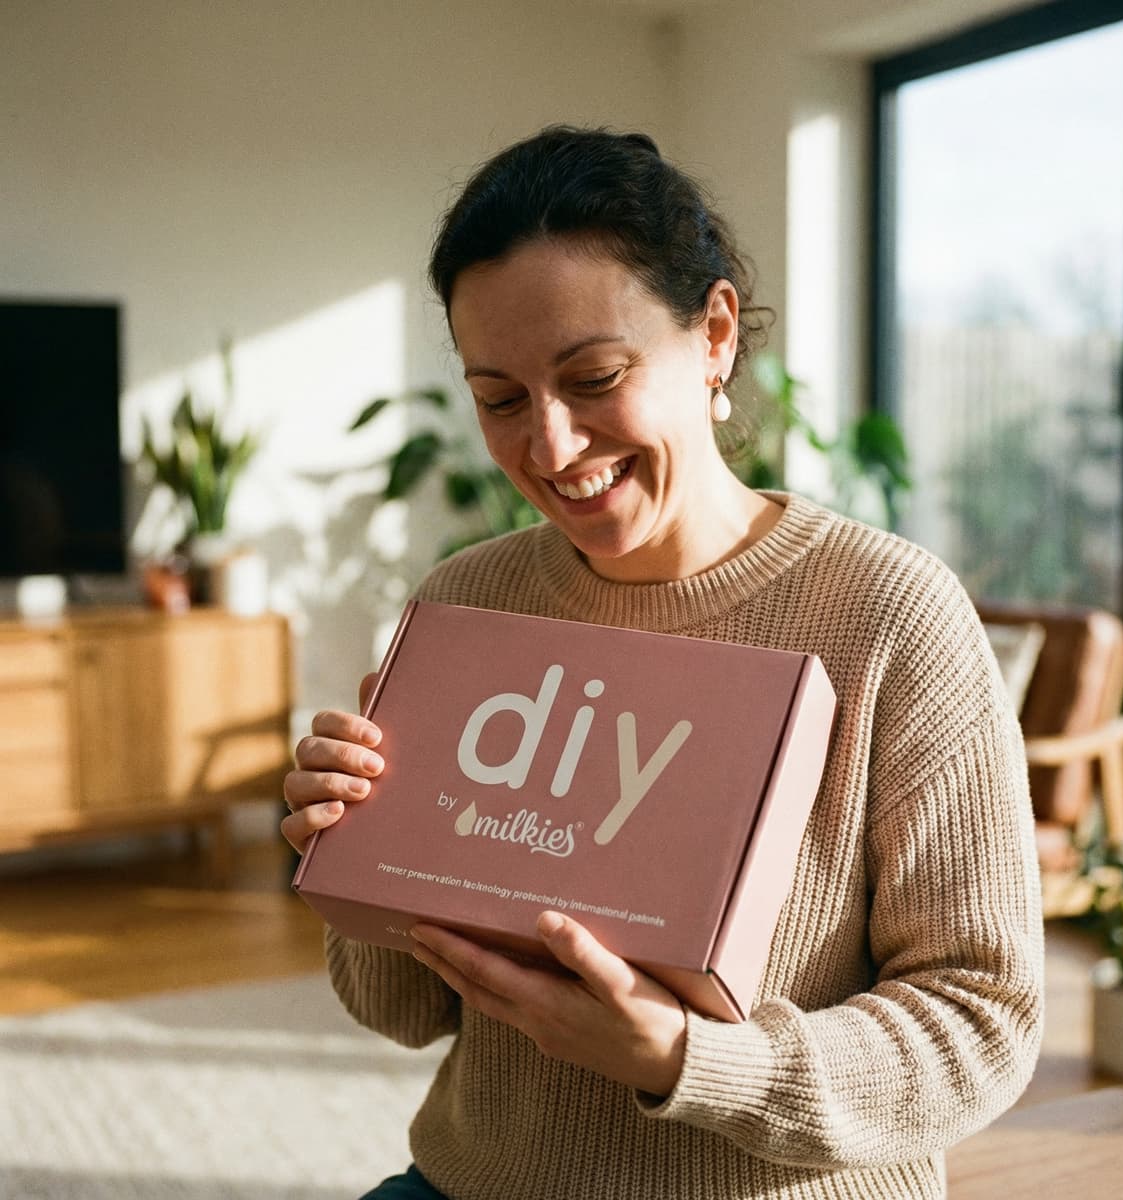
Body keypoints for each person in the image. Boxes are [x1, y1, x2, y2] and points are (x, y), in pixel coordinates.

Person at [282, 125, 1044, 1200]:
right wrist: (356, 863)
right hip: (474, 1181)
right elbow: (402, 1013)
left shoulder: (889, 615)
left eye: (593, 377)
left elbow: (983, 1021)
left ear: (716, 335)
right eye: (499, 399)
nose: (548, 449)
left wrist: (695, 1062)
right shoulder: (466, 602)